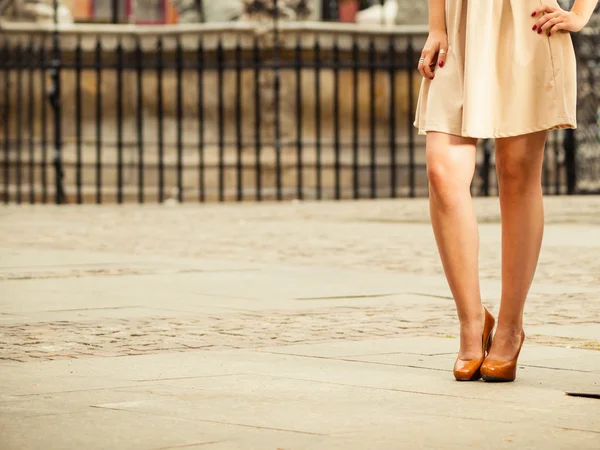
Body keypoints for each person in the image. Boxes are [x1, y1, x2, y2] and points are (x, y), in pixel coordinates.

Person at [414, 0, 598, 382]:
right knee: (441, 171)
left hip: (527, 26)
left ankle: (510, 326)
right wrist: (437, 26)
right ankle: (471, 321)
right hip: (458, 25)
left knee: (517, 175)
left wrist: (580, 13)